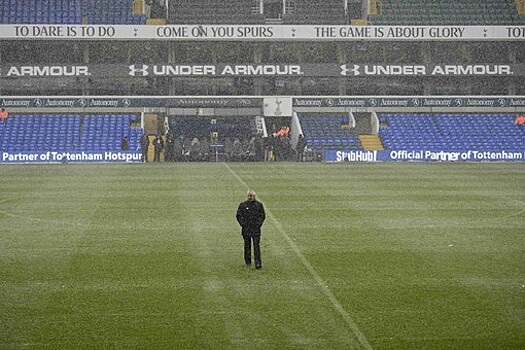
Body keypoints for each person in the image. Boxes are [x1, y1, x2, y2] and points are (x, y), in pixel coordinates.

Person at [236, 189, 266, 269]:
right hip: (246, 229)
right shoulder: (243, 205)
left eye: (251, 196)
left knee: (256, 246)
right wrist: (243, 224)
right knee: (247, 246)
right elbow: (238, 215)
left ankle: (258, 263)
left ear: (254, 196)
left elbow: (262, 216)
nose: (250, 197)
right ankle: (247, 262)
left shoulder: (259, 205)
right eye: (248, 196)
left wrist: (258, 224)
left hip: (255, 229)